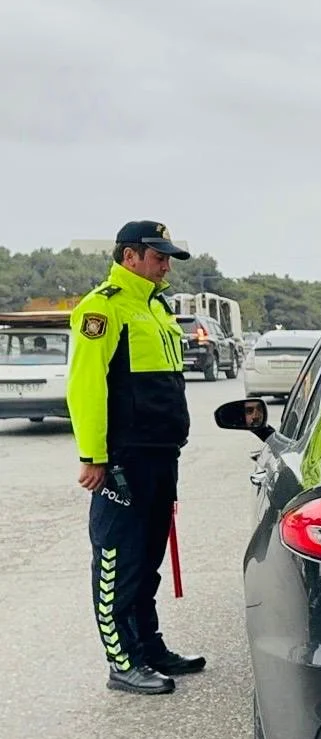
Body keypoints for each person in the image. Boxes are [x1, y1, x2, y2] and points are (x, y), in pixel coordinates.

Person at [67, 220, 206, 696]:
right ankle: (121, 660)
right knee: (116, 559)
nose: (165, 265)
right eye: (158, 256)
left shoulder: (156, 307)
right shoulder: (102, 308)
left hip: (159, 453)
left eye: (167, 257)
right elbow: (86, 385)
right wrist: (93, 455)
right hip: (122, 457)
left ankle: (148, 646)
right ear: (130, 257)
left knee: (147, 559)